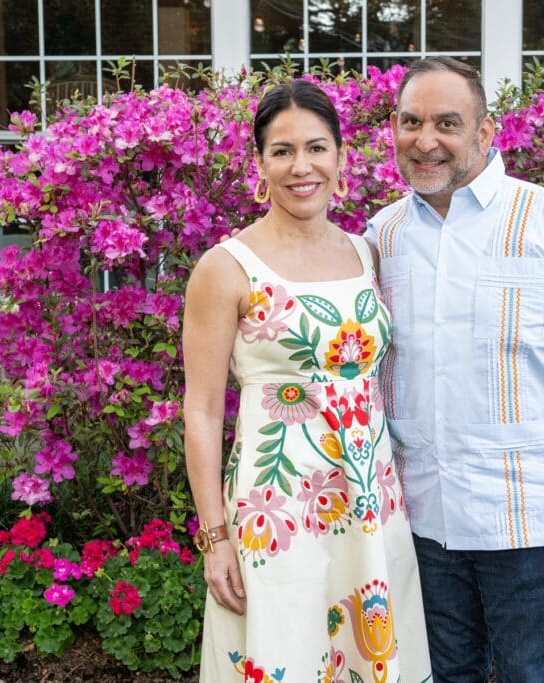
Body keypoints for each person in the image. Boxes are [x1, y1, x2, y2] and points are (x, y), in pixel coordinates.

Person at [365, 57, 544, 682]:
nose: (424, 139)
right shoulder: (383, 234)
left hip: (528, 523)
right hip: (422, 518)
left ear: (487, 133)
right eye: (410, 121)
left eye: (447, 123)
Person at [183, 80, 431, 682]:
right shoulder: (226, 267)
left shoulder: (365, 253)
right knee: (285, 654)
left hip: (371, 503)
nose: (302, 167)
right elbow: (203, 412)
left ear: (341, 157)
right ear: (260, 164)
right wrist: (216, 538)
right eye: (283, 151)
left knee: (369, 653)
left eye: (317, 148)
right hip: (280, 506)